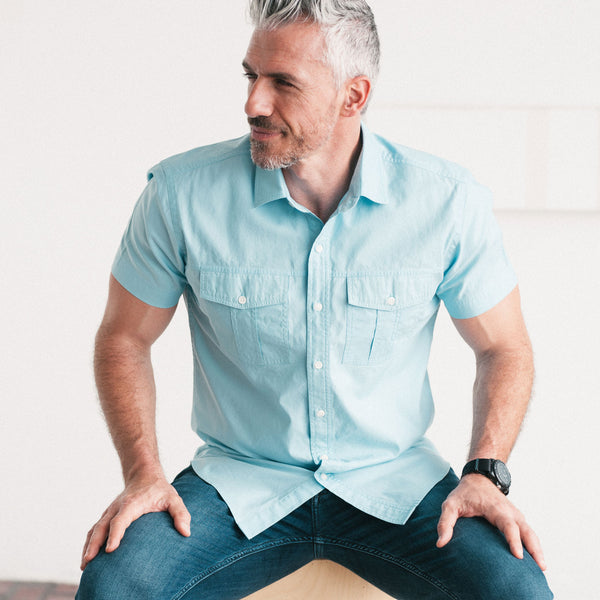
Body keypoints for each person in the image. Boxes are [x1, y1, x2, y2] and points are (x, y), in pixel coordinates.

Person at [76, 1, 553, 598]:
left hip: (396, 485)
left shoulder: (446, 202)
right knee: (116, 584)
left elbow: (504, 347)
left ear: (353, 96)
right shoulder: (180, 195)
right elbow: (125, 336)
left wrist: (484, 472)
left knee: (516, 589)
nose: (254, 102)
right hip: (238, 486)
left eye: (283, 82)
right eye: (252, 76)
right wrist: (142, 473)